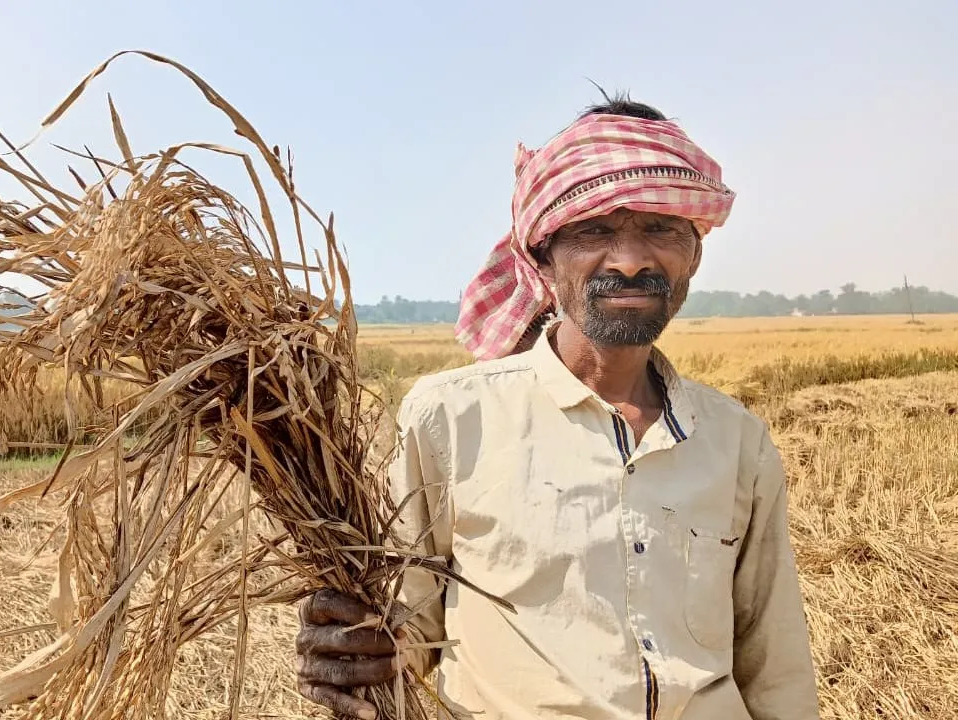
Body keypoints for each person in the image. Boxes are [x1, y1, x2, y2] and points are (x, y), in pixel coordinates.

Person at [294, 95, 820, 719]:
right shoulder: (450, 421)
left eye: (660, 228)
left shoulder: (736, 440)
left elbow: (775, 664)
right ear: (542, 255)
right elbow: (408, 628)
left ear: (694, 254)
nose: (630, 260)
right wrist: (356, 645)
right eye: (594, 231)